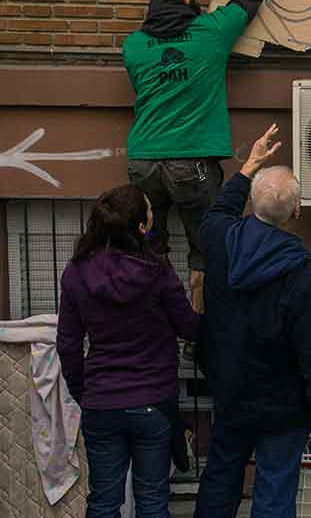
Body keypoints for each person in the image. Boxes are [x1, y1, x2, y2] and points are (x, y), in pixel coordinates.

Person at [194, 125, 311, 518]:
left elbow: (219, 210)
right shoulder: (307, 280)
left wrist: (249, 167)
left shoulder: (218, 241)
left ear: (252, 204)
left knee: (220, 480)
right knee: (275, 495)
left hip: (230, 395)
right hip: (284, 411)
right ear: (297, 212)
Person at [122, 0, 263, 314]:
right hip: (192, 163)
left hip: (143, 162)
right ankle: (197, 334)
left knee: (148, 247)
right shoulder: (211, 33)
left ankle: (156, 325)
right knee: (207, 248)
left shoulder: (132, 46)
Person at [56, 185, 201, 518]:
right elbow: (189, 328)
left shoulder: (76, 273)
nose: (153, 217)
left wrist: (85, 392)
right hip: (153, 401)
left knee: (104, 502)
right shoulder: (157, 271)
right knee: (152, 501)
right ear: (141, 227)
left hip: (101, 402)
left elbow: (68, 344)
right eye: (150, 212)